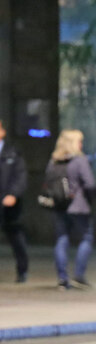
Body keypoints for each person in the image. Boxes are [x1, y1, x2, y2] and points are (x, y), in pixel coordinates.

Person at [45, 129, 95, 290]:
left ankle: (62, 278)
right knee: (86, 238)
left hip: (59, 205)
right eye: (80, 141)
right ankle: (79, 276)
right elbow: (90, 183)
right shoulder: (80, 160)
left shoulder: (54, 160)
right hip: (78, 206)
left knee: (61, 239)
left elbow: (48, 181)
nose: (81, 144)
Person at [0, 118, 28, 283]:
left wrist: (13, 194)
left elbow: (21, 177)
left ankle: (22, 270)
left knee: (16, 238)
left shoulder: (13, 153)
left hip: (10, 205)